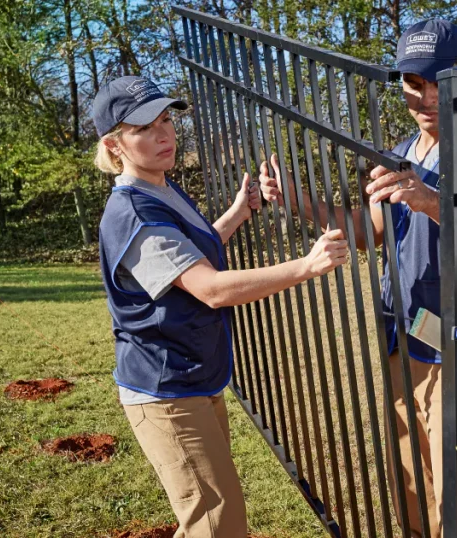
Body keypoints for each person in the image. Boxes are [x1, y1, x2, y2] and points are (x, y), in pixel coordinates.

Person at [259, 20, 457, 538]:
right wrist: (300, 203)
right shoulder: (405, 151)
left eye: (439, 80)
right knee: (415, 487)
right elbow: (369, 230)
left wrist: (431, 201)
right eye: (413, 82)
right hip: (405, 338)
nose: (425, 96)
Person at [92, 75, 348, 538]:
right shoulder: (133, 214)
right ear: (114, 145)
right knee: (217, 523)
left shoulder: (159, 189)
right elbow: (209, 287)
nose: (164, 134)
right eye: (144, 127)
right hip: (166, 391)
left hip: (194, 377)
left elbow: (185, 252)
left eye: (166, 119)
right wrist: (306, 266)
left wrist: (234, 216)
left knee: (211, 516)